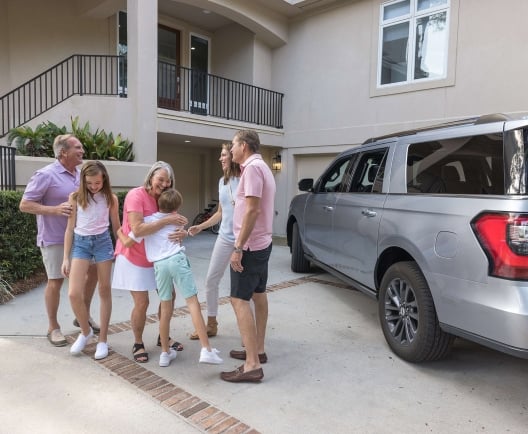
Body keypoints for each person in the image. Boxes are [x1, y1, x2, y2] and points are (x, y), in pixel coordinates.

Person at [118, 189, 223, 367]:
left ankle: (165, 354)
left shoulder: (149, 221)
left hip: (159, 266)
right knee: (192, 303)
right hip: (177, 261)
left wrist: (119, 230)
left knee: (165, 309)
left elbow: (129, 240)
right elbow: (180, 234)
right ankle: (206, 349)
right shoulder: (178, 220)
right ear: (177, 207)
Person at [19, 134, 99, 347]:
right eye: (78, 148)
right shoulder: (45, 174)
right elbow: (25, 204)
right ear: (63, 152)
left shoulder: (82, 174)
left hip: (82, 236)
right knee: (56, 281)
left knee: (93, 273)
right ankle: (53, 327)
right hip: (54, 238)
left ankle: (83, 316)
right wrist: (53, 210)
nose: (82, 151)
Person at [112, 161, 187, 363]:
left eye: (167, 180)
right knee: (142, 302)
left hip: (158, 256)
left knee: (168, 297)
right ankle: (138, 342)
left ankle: (163, 336)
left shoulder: (166, 198)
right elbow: (137, 229)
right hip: (134, 256)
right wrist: (166, 221)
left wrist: (180, 232)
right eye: (160, 179)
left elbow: (174, 224)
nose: (163, 183)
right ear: (151, 178)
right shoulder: (136, 195)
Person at [220, 129, 276, 383]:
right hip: (262, 243)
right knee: (258, 294)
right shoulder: (261, 166)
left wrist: (238, 248)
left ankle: (251, 364)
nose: (231, 150)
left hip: (251, 247)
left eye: (233, 145)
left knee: (238, 299)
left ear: (244, 145)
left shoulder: (252, 169)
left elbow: (252, 211)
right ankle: (258, 350)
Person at [61, 161, 120, 359]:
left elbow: (116, 228)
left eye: (97, 183)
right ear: (82, 181)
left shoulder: (111, 198)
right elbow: (69, 228)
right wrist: (65, 258)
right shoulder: (75, 197)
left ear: (104, 179)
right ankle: (86, 332)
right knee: (73, 293)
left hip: (103, 243)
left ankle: (103, 339)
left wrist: (124, 248)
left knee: (104, 290)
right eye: (90, 183)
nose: (94, 187)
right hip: (81, 244)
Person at [187, 143, 241, 339]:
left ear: (233, 156)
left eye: (224, 155)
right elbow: (220, 212)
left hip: (242, 241)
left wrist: (241, 245)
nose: (221, 158)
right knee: (211, 280)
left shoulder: (245, 179)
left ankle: (247, 331)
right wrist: (200, 226)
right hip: (224, 238)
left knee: (242, 289)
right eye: (220, 155)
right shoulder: (222, 182)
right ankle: (211, 324)